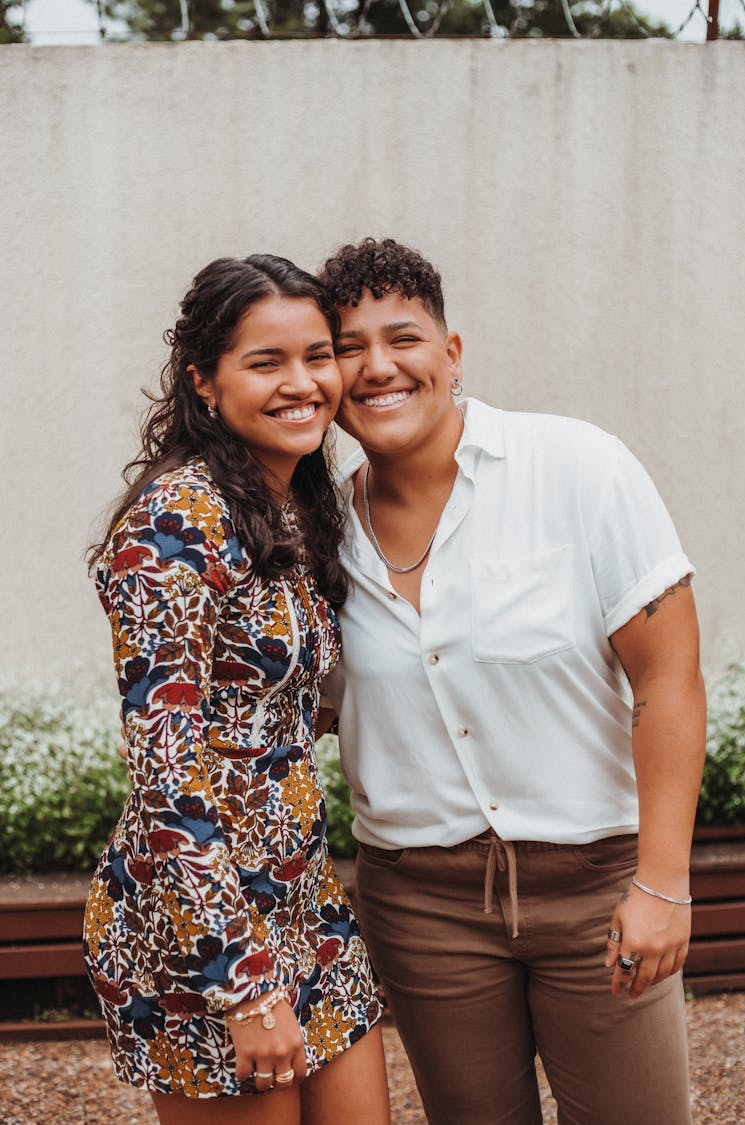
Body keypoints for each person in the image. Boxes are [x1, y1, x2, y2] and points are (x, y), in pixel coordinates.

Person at [317, 237, 706, 1125]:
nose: (378, 366)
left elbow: (669, 680)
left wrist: (662, 883)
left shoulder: (579, 468)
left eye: (403, 337)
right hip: (420, 907)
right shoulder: (317, 535)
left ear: (451, 354)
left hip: (598, 889)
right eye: (348, 346)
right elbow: (308, 705)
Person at [83, 254, 390, 1125]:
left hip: (304, 896)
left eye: (318, 355)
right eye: (267, 362)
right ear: (204, 382)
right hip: (205, 926)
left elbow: (276, 696)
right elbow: (165, 773)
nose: (304, 383)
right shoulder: (176, 520)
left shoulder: (293, 502)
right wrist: (244, 984)